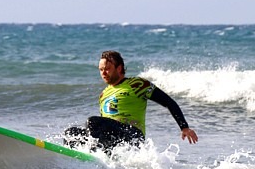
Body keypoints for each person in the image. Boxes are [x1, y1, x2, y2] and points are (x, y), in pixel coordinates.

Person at [65, 50, 198, 152]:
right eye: (101, 70)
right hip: (112, 137)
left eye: (107, 69)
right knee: (71, 133)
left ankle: (96, 156)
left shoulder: (137, 84)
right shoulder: (104, 94)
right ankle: (77, 162)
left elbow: (168, 102)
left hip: (132, 135)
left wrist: (184, 127)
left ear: (119, 68)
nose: (103, 73)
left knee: (93, 122)